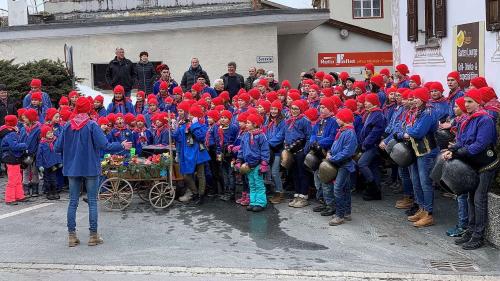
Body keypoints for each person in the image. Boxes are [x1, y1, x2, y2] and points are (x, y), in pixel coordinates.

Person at [55, 97, 131, 247]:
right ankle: (93, 235)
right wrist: (121, 145)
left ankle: (71, 236)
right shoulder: (91, 125)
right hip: (90, 167)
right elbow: (105, 145)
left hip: (72, 168)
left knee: (73, 202)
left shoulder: (68, 125)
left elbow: (57, 147)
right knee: (92, 202)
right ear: (89, 109)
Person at [442, 89, 498, 250]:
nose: (466, 105)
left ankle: (478, 236)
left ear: (478, 103)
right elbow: (462, 140)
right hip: (473, 164)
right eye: (465, 101)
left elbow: (479, 145)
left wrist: (458, 153)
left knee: (479, 200)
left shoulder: (485, 120)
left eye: (470, 102)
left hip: (486, 165)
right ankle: (471, 230)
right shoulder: (469, 118)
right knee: (470, 199)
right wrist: (452, 150)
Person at [404, 88, 439, 228]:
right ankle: (421, 208)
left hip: (427, 151)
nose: (414, 100)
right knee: (416, 181)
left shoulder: (428, 113)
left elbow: (418, 132)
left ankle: (428, 213)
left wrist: (408, 130)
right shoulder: (419, 112)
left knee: (425, 183)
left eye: (417, 98)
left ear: (423, 98)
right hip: (417, 151)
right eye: (413, 98)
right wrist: (409, 129)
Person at [173, 105, 210, 205]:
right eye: (189, 114)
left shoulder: (202, 125)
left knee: (201, 175)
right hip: (188, 154)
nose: (189, 116)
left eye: (192, 115)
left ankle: (201, 195)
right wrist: (177, 126)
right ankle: (195, 193)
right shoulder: (185, 126)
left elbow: (201, 137)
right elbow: (176, 137)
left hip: (198, 154)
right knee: (186, 175)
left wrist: (194, 125)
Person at [327, 108, 358, 226]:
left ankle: (340, 215)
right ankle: (346, 212)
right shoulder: (343, 131)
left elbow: (347, 152)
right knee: (345, 188)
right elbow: (336, 146)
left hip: (345, 164)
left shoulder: (349, 133)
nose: (336, 119)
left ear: (344, 119)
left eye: (339, 118)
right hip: (340, 163)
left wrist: (332, 158)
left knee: (338, 188)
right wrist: (330, 152)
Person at [236, 113, 270, 212]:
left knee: (258, 183)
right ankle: (253, 201)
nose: (246, 125)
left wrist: (264, 163)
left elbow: (265, 150)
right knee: (251, 183)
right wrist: (239, 160)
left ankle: (260, 202)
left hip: (257, 164)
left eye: (248, 123)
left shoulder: (261, 136)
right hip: (248, 164)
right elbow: (241, 149)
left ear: (255, 124)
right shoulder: (246, 135)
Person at [358, 94, 386, 201]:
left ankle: (373, 187)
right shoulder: (370, 113)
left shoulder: (378, 115)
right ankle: (376, 191)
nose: (365, 103)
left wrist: (365, 143)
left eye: (367, 101)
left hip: (372, 146)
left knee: (362, 163)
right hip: (368, 145)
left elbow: (375, 132)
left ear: (374, 102)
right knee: (374, 167)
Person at [285, 100, 312, 208]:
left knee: (302, 173)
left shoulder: (305, 120)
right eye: (292, 108)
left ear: (301, 109)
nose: (294, 111)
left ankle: (303, 196)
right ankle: (297, 194)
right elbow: (287, 134)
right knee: (294, 173)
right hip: (291, 150)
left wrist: (305, 151)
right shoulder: (289, 120)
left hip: (300, 150)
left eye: (296, 109)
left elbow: (309, 136)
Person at [1, 115, 28, 205]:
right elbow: (14, 146)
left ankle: (19, 195)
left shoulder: (8, 131)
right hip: (12, 157)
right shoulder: (11, 133)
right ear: (14, 122)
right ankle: (10, 198)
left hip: (12, 157)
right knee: (13, 179)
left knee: (17, 178)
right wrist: (24, 145)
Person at [266, 100, 286, 204]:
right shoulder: (269, 120)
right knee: (271, 172)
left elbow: (280, 136)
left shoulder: (282, 122)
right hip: (269, 149)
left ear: (279, 110)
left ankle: (280, 192)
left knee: (274, 172)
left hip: (277, 150)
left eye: (275, 109)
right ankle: (277, 191)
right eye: (272, 109)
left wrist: (267, 143)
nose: (273, 111)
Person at [36, 125, 62, 200]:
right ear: (44, 135)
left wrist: (60, 161)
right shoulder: (42, 144)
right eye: (48, 133)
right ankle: (49, 192)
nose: (51, 134)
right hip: (45, 165)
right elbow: (39, 156)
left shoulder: (55, 141)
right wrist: (39, 165)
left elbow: (58, 152)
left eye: (51, 132)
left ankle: (54, 191)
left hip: (53, 164)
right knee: (47, 179)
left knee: (53, 178)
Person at [20, 108, 42, 198]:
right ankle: (26, 188)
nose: (23, 119)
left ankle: (35, 187)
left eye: (25, 118)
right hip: (25, 154)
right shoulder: (23, 129)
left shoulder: (38, 129)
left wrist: (37, 153)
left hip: (34, 154)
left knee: (34, 171)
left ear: (31, 118)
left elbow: (39, 142)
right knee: (25, 171)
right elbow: (20, 140)